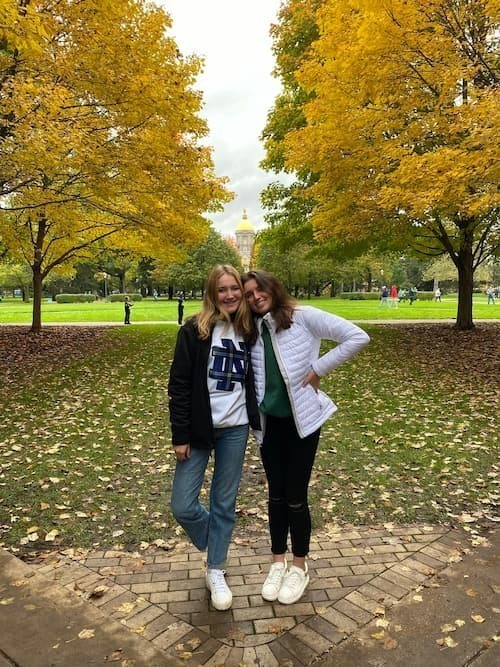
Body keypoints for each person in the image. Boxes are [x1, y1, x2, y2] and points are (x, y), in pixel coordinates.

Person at [241, 269, 370, 605]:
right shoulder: (250, 329)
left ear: (272, 287)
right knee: (275, 497)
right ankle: (277, 563)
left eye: (259, 290)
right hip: (268, 426)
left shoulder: (303, 317)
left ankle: (299, 566)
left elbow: (357, 336)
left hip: (303, 424)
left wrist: (319, 369)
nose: (255, 297)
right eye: (248, 294)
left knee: (295, 497)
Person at [168, 265, 260, 611]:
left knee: (224, 502)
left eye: (234, 288)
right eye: (222, 290)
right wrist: (180, 435)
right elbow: (178, 386)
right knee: (183, 505)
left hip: (235, 430)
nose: (230, 295)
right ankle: (217, 538)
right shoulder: (194, 331)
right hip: (199, 430)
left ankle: (216, 568)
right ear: (212, 293)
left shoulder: (250, 330)